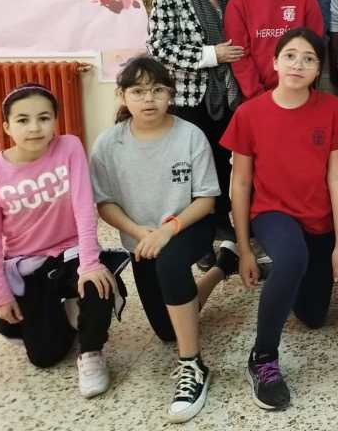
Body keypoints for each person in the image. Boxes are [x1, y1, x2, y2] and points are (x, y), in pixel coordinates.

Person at [90, 57, 234, 422]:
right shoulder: (108, 144)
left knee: (170, 264)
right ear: (122, 95)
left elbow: (206, 200)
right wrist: (141, 232)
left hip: (188, 226)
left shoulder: (190, 135)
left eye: (157, 90)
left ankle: (193, 365)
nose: (148, 98)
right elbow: (105, 203)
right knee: (167, 328)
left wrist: (168, 229)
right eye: (138, 91)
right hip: (142, 238)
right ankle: (221, 268)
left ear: (171, 94)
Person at [221, 28, 338, 411]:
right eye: (290, 55)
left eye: (309, 58)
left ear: (318, 69)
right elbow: (241, 183)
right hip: (272, 212)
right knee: (292, 258)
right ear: (274, 62)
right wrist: (245, 248)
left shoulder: (332, 109)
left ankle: (285, 279)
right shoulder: (249, 114)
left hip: (318, 219)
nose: (298, 64)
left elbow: (337, 177)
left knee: (314, 316)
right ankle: (263, 358)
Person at [0, 84, 118, 397]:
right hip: (28, 263)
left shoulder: (69, 147)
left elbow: (84, 207)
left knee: (99, 284)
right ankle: (65, 314)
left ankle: (91, 352)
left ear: (55, 120)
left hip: (71, 252)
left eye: (43, 118)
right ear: (7, 126)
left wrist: (90, 264)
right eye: (23, 120)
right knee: (45, 357)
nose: (34, 128)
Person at [148, 0, 243, 237]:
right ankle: (201, 232)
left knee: (227, 159)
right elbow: (159, 47)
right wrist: (212, 55)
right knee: (197, 166)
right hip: (191, 96)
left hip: (233, 88)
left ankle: (227, 226)